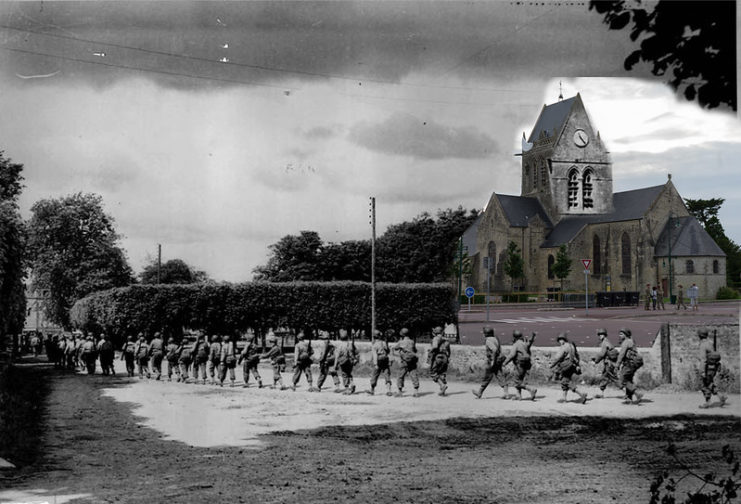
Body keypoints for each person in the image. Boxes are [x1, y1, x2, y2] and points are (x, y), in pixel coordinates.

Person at [472, 326, 510, 400]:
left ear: (486, 334)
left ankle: (479, 393)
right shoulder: (495, 338)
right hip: (499, 359)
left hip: (493, 360)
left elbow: (494, 350)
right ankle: (506, 393)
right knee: (500, 375)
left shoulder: (488, 340)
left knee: (487, 376)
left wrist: (493, 360)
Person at [550, 333, 587, 404]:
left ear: (563, 340)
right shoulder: (571, 346)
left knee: (565, 382)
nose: (560, 341)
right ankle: (564, 399)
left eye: (561, 340)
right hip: (571, 365)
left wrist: (552, 363)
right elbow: (576, 356)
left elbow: (557, 357)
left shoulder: (564, 347)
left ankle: (581, 394)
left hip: (565, 366)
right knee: (565, 381)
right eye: (559, 340)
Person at [503, 330, 537, 401]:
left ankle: (530, 389)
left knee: (516, 381)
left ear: (514, 337)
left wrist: (505, 362)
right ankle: (518, 395)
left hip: (519, 364)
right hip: (526, 364)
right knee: (519, 379)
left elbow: (512, 355)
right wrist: (532, 337)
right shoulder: (524, 343)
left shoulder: (516, 344)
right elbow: (529, 344)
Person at [697, 329, 727, 409]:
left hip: (706, 368)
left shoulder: (703, 345)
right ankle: (721, 396)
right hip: (713, 368)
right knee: (709, 383)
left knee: (703, 385)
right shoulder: (710, 343)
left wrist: (702, 371)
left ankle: (707, 402)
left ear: (699, 336)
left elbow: (703, 359)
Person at [615, 328, 644, 405]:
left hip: (629, 364)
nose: (619, 335)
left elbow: (621, 354)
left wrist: (617, 365)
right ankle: (629, 399)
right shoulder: (631, 341)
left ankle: (637, 393)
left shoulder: (626, 342)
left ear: (626, 335)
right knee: (628, 380)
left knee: (622, 379)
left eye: (621, 334)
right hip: (632, 364)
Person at [591, 328, 619, 398]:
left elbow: (602, 354)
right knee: (604, 377)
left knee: (614, 379)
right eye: (599, 335)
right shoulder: (607, 342)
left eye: (602, 334)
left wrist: (595, 361)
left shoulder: (604, 343)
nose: (600, 336)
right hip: (609, 363)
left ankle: (630, 392)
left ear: (604, 335)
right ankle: (601, 393)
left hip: (609, 364)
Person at [393, 328, 420, 398]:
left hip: (404, 361)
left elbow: (395, 348)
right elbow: (415, 350)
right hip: (412, 361)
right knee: (413, 374)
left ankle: (400, 392)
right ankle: (416, 391)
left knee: (400, 376)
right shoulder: (412, 341)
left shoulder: (401, 342)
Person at [335, 329, 359, 395]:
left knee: (344, 374)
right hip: (350, 361)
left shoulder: (340, 345)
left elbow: (337, 356)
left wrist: (335, 365)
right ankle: (352, 383)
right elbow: (356, 352)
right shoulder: (350, 344)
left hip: (343, 361)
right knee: (349, 373)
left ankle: (347, 389)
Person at [369, 330, 393, 396]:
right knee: (386, 374)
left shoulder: (374, 345)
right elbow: (388, 351)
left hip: (378, 360)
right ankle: (389, 390)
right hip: (385, 359)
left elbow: (375, 355)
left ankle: (372, 390)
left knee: (374, 375)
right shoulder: (384, 343)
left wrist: (375, 364)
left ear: (374, 337)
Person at [428, 326, 450, 396]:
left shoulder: (436, 338)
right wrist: (447, 357)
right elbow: (449, 351)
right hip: (445, 357)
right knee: (442, 373)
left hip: (438, 356)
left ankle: (442, 385)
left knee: (433, 373)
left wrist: (430, 350)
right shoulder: (446, 340)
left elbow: (435, 346)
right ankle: (443, 391)